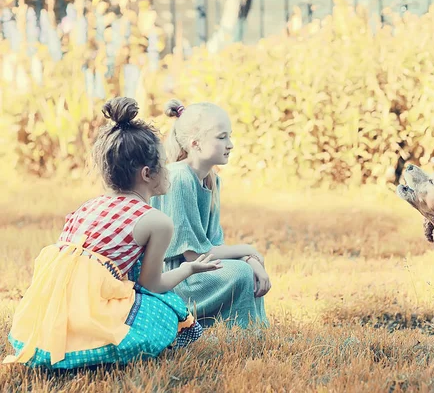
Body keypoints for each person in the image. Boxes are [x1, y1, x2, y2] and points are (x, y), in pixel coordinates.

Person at [3, 97, 222, 370]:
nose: (169, 170)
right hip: (89, 312)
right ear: (147, 174)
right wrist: (189, 269)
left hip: (45, 317)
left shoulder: (90, 206)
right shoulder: (156, 221)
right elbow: (151, 285)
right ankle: (96, 348)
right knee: (166, 310)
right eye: (164, 165)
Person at [149, 99, 270, 329]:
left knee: (246, 269)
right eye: (222, 137)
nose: (230, 144)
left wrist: (249, 260)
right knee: (242, 273)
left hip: (197, 268)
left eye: (229, 136)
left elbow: (214, 243)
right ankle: (241, 332)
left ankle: (255, 330)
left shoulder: (212, 179)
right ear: (196, 143)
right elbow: (194, 256)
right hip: (176, 277)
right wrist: (249, 251)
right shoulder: (180, 178)